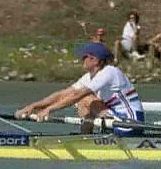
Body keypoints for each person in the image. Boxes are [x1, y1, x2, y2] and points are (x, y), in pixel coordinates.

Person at [15, 42, 145, 136]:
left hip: (130, 123)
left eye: (84, 57)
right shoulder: (89, 77)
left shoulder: (109, 72)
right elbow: (63, 94)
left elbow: (77, 95)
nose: (81, 59)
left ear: (95, 60)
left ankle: (87, 137)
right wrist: (34, 106)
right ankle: (85, 137)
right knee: (81, 100)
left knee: (85, 98)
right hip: (116, 121)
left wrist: (49, 110)